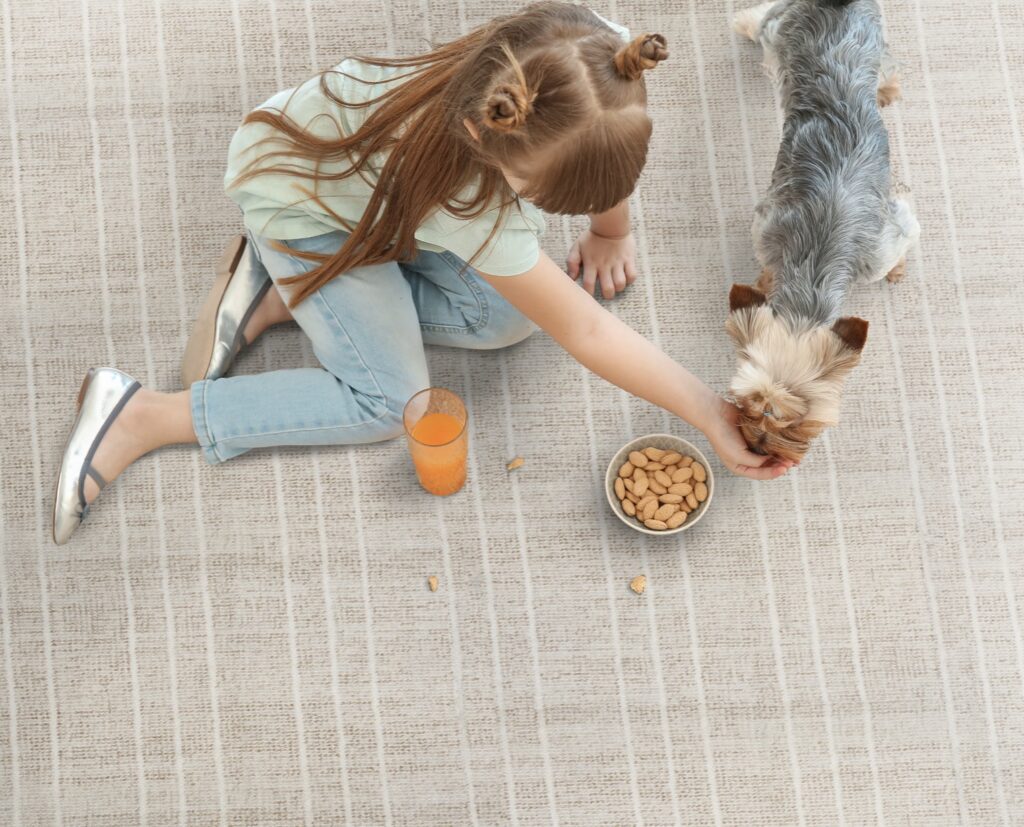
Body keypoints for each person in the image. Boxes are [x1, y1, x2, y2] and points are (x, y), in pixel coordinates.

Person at [52, 1, 789, 545]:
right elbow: (587, 327)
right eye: (539, 197)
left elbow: (604, 148)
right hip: (301, 210)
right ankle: (145, 411)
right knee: (389, 403)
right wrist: (707, 410)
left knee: (512, 314)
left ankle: (291, 296)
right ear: (486, 139)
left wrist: (610, 225)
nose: (544, 212)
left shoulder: (595, 53)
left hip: (367, 197)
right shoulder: (468, 202)